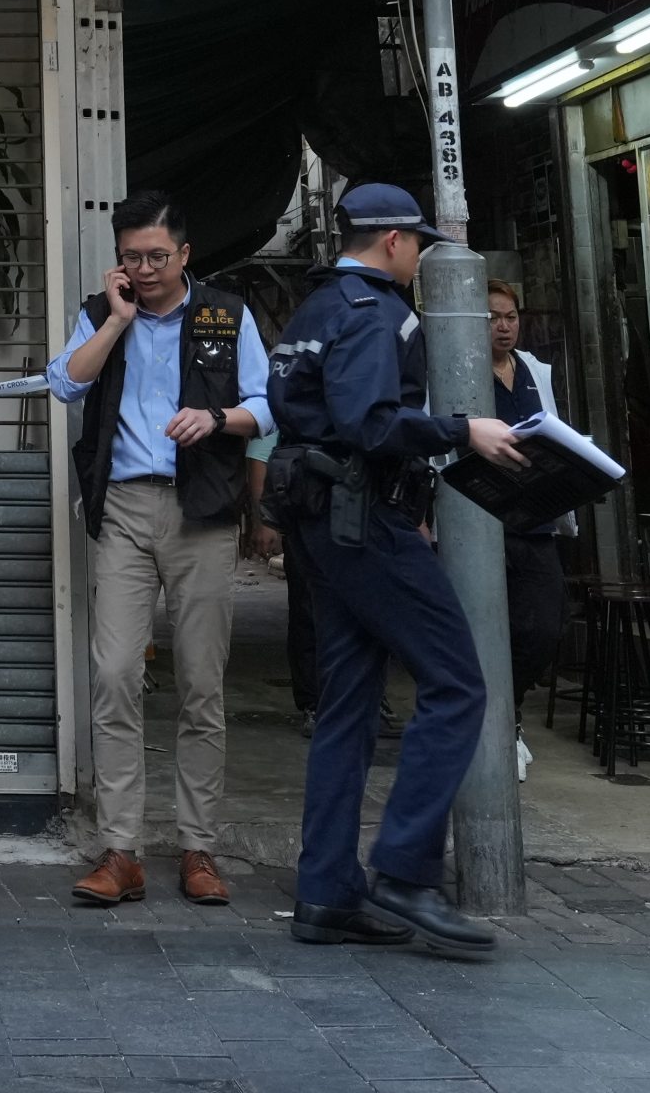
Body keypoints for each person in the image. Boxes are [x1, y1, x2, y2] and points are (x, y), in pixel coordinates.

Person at [271, 184, 519, 959]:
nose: (416, 257)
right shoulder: (377, 310)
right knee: (456, 683)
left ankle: (325, 894)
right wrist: (462, 429)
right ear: (391, 243)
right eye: (414, 244)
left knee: (346, 706)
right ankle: (406, 873)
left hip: (322, 516)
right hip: (364, 515)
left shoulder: (315, 307)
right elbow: (368, 420)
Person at [45, 192, 269, 910]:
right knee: (113, 675)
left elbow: (268, 404)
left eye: (155, 257)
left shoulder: (225, 314)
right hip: (124, 508)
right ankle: (120, 851)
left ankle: (197, 847)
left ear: (183, 255)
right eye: (130, 257)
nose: (142, 270)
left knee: (201, 685)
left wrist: (216, 417)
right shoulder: (102, 310)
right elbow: (63, 382)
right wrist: (114, 320)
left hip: (201, 511)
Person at [488, 278, 574, 756]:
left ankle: (508, 709)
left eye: (510, 317)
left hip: (535, 515)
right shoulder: (457, 370)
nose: (503, 327)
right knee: (486, 626)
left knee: (543, 626)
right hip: (480, 518)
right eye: (492, 318)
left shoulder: (534, 371)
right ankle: (498, 728)